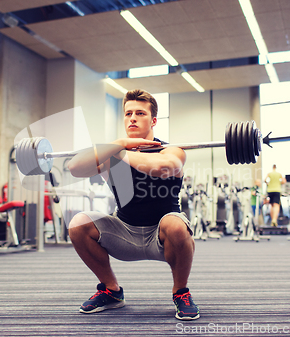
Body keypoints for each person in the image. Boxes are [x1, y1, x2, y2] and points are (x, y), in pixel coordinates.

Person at [66, 89, 200, 321]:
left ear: (153, 120)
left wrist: (118, 153)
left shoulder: (171, 149)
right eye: (128, 113)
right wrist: (119, 144)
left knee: (176, 224)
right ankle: (111, 291)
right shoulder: (115, 150)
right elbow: (75, 167)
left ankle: (181, 292)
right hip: (124, 232)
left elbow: (163, 167)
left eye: (140, 113)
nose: (133, 118)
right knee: (78, 223)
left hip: (163, 236)